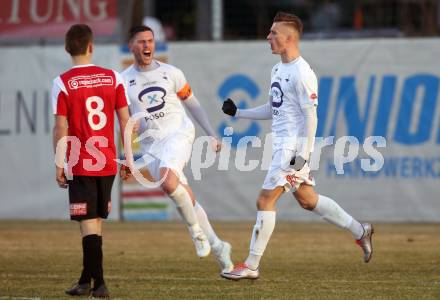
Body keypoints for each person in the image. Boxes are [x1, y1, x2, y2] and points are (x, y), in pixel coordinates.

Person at [220, 12, 374, 280]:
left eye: (273, 33)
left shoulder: (302, 73)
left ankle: (251, 265)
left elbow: (311, 117)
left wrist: (302, 156)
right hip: (282, 146)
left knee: (264, 200)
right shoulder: (278, 69)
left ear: (289, 38)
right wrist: (239, 113)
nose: (268, 37)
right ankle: (360, 231)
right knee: (307, 200)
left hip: (292, 150)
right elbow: (273, 108)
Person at [121, 25, 233, 274]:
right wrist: (128, 156)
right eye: (141, 42)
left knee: (168, 181)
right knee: (182, 193)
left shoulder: (172, 73)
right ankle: (218, 246)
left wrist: (211, 134)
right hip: (150, 145)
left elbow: (193, 105)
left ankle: (196, 233)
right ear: (131, 46)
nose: (147, 46)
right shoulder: (122, 80)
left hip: (178, 133)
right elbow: (124, 121)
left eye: (150, 40)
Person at [52, 24, 131, 297]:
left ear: (67, 48)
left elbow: (60, 127)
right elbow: (125, 121)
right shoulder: (114, 77)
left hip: (81, 161)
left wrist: (59, 163)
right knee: (94, 222)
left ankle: (100, 283)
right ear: (91, 47)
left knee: (88, 223)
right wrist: (128, 158)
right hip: (107, 161)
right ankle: (86, 281)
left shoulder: (62, 82)